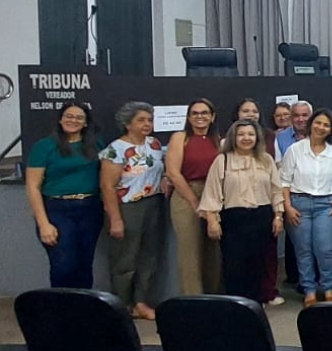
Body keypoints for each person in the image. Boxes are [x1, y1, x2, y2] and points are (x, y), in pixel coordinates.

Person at [198, 120, 284, 302]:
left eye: (250, 134)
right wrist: (212, 220)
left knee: (258, 265)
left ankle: (255, 305)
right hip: (233, 219)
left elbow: (276, 189)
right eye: (241, 134)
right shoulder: (223, 160)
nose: (246, 138)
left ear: (257, 137)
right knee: (234, 265)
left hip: (261, 217)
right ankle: (235, 306)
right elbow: (212, 192)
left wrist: (278, 215)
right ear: (233, 138)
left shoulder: (266, 159)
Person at [25, 102, 104, 288]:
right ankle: (60, 312)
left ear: (85, 123)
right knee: (63, 265)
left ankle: (83, 310)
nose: (73, 120)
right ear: (60, 119)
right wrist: (43, 224)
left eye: (79, 117)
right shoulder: (44, 146)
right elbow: (33, 186)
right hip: (57, 210)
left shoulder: (97, 144)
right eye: (68, 116)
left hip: (90, 208)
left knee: (84, 265)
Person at [100, 101, 167, 320]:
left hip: (153, 204)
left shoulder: (155, 144)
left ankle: (141, 302)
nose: (147, 124)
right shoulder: (115, 149)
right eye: (141, 120)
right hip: (127, 207)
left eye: (149, 119)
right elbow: (107, 186)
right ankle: (122, 304)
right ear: (128, 124)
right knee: (125, 259)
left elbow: (161, 170)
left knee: (149, 256)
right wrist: (115, 219)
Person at [280, 108, 332, 307]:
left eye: (326, 125)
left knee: (324, 249)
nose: (321, 127)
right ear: (311, 124)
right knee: (303, 250)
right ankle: (309, 290)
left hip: (326, 204)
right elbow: (284, 181)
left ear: (330, 129)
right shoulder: (295, 149)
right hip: (299, 204)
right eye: (318, 123)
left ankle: (328, 287)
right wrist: (287, 206)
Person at [165, 99, 222, 296]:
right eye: (195, 113)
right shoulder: (180, 138)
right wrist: (195, 202)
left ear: (212, 116)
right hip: (186, 195)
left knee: (214, 252)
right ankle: (194, 301)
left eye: (205, 113)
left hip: (213, 195)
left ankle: (213, 297)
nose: (200, 117)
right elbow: (173, 173)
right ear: (188, 118)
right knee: (190, 254)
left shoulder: (218, 140)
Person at [231, 98, 283, 306]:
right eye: (246, 110)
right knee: (238, 255)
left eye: (254, 110)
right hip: (235, 208)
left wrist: (278, 212)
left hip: (264, 203)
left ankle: (266, 292)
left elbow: (276, 175)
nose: (251, 114)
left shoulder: (270, 139)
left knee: (265, 253)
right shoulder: (227, 144)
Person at [275, 100, 312, 288]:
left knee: (316, 240)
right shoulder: (280, 139)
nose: (300, 119)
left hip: (316, 193)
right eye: (296, 115)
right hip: (291, 193)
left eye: (304, 115)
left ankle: (317, 277)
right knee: (293, 239)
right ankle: (294, 277)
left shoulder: (321, 135)